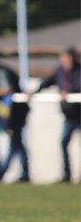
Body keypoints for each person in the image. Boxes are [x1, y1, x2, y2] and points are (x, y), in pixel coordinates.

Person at [0, 55, 30, 182]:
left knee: (16, 143)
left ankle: (3, 170)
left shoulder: (1, 72)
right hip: (11, 113)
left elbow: (7, 89)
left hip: (14, 114)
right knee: (17, 144)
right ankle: (22, 171)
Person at [36, 47, 80, 182]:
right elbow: (48, 81)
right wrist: (34, 91)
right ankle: (67, 175)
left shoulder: (79, 71)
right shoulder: (60, 71)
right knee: (63, 143)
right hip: (69, 116)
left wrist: (69, 91)